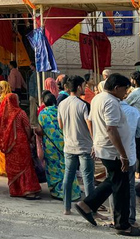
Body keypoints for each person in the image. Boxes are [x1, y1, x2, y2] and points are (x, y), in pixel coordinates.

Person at [75, 74, 140, 236]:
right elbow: (111, 129)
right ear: (117, 87)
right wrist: (123, 155)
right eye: (125, 89)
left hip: (105, 148)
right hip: (113, 152)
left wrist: (96, 142)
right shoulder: (109, 101)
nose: (126, 93)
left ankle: (87, 205)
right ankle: (122, 224)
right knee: (121, 188)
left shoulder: (98, 98)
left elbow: (92, 121)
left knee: (114, 181)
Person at [59, 75, 96, 215]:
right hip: (84, 146)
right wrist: (94, 144)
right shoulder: (83, 105)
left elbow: (61, 125)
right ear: (80, 86)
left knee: (68, 177)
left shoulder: (62, 104)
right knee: (88, 179)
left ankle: (66, 207)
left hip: (69, 146)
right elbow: (90, 125)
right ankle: (90, 208)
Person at [0, 93, 41, 199]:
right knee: (25, 166)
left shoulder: (3, 115)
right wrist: (31, 138)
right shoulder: (20, 113)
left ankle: (15, 190)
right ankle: (28, 191)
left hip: (9, 144)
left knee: (13, 166)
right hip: (21, 143)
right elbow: (27, 127)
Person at [39, 91, 81, 201]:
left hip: (51, 147)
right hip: (66, 143)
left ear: (44, 102)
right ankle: (73, 191)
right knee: (67, 167)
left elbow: (41, 129)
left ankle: (59, 191)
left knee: (54, 169)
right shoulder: (61, 110)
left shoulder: (43, 114)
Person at [120, 96, 140, 230]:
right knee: (129, 187)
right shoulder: (133, 111)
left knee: (115, 186)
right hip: (129, 154)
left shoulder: (105, 107)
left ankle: (117, 219)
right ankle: (130, 218)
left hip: (109, 154)